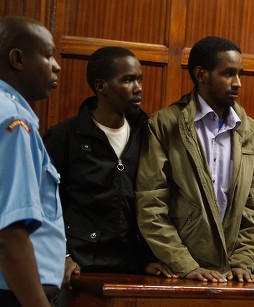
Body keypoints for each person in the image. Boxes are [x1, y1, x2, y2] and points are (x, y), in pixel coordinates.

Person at [43, 46, 175, 289]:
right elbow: (45, 203)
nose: (139, 88)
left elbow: (151, 201)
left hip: (131, 268)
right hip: (79, 267)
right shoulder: (65, 137)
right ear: (101, 86)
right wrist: (62, 256)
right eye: (128, 80)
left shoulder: (147, 135)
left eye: (139, 79)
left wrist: (146, 258)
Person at [136, 36, 254, 283]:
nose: (238, 83)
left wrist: (242, 262)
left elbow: (249, 206)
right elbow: (151, 204)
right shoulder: (164, 124)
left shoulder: (248, 129)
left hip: (230, 278)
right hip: (178, 273)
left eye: (239, 74)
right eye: (228, 74)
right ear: (202, 75)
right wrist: (185, 265)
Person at [0, 16, 66, 307]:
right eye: (48, 55)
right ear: (17, 59)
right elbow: (9, 234)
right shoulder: (15, 122)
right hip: (13, 292)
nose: (56, 66)